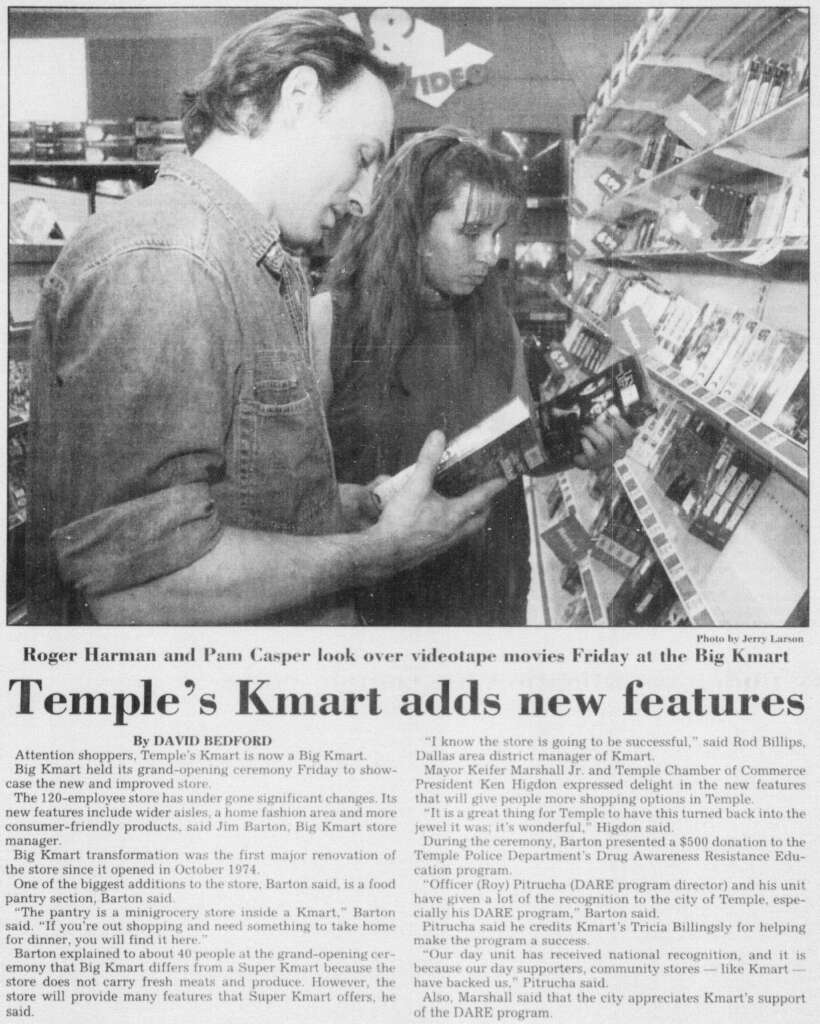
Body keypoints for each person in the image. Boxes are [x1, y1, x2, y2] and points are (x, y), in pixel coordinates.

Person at [25, 11, 505, 626]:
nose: (364, 197)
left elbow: (226, 493)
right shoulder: (173, 259)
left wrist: (340, 506)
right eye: (362, 156)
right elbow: (138, 588)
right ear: (298, 99)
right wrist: (372, 555)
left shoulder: (243, 261)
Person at [313, 128, 634, 626]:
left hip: (491, 587)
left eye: (498, 232)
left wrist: (586, 449)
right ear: (413, 227)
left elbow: (516, 451)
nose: (491, 253)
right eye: (470, 233)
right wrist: (359, 502)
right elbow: (285, 493)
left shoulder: (496, 324)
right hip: (381, 604)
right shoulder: (330, 322)